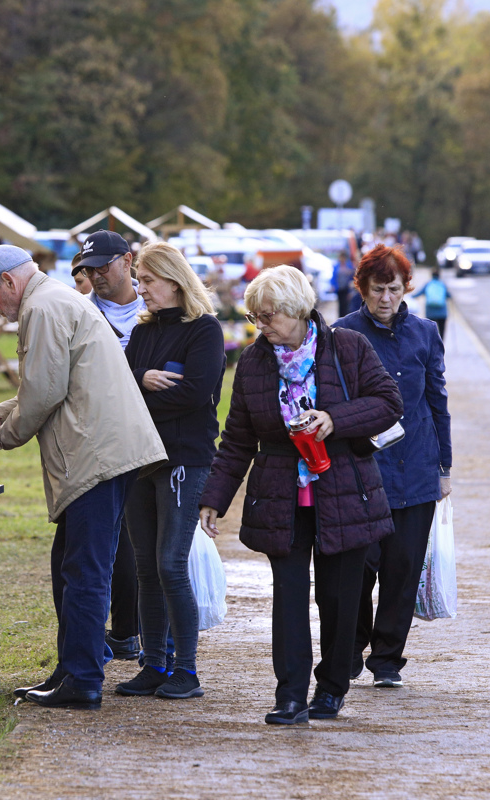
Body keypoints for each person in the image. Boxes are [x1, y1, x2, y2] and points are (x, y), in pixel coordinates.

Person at [198, 265, 403, 725]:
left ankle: (331, 687)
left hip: (346, 492)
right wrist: (214, 497)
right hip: (279, 498)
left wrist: (335, 419)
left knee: (338, 599)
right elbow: (237, 438)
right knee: (288, 597)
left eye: (268, 316)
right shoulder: (254, 361)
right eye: (255, 317)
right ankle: (289, 695)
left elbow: (389, 402)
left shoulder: (348, 346)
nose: (261, 326)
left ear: (297, 310)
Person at [0, 245, 166, 709]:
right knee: (72, 565)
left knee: (84, 570)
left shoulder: (42, 308)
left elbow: (42, 393)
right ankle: (71, 669)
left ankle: (82, 679)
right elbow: (41, 385)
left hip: (94, 454)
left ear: (9, 283)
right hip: (99, 450)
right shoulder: (54, 300)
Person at [335, 245, 452, 688]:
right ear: (362, 289)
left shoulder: (425, 333)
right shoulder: (342, 333)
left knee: (403, 569)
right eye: (377, 289)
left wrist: (444, 468)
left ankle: (387, 658)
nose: (386, 298)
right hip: (363, 469)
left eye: (394, 289)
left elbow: (438, 401)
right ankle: (348, 650)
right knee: (359, 568)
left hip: (417, 464)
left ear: (407, 288)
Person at [119, 242, 225, 700]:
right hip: (142, 459)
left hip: (184, 459)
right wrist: (142, 379)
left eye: (149, 281)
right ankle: (153, 663)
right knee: (145, 567)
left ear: (176, 281)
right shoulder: (142, 334)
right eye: (139, 281)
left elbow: (196, 394)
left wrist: (140, 392)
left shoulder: (204, 330)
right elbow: (119, 388)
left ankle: (187, 670)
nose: (141, 290)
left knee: (169, 564)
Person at [68, 229, 145, 659]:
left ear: (127, 261)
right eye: (88, 269)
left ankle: (137, 631)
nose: (95, 275)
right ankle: (114, 632)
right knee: (104, 540)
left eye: (103, 266)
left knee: (143, 539)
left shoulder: (155, 307)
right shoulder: (81, 312)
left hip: (150, 434)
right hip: (97, 435)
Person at [410, 267, 451, 339]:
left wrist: (410, 296)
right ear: (439, 275)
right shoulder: (442, 284)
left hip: (430, 312)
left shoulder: (428, 284)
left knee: (430, 331)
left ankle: (432, 347)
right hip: (442, 313)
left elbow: (418, 293)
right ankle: (441, 346)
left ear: (431, 275)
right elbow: (449, 296)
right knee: (442, 331)